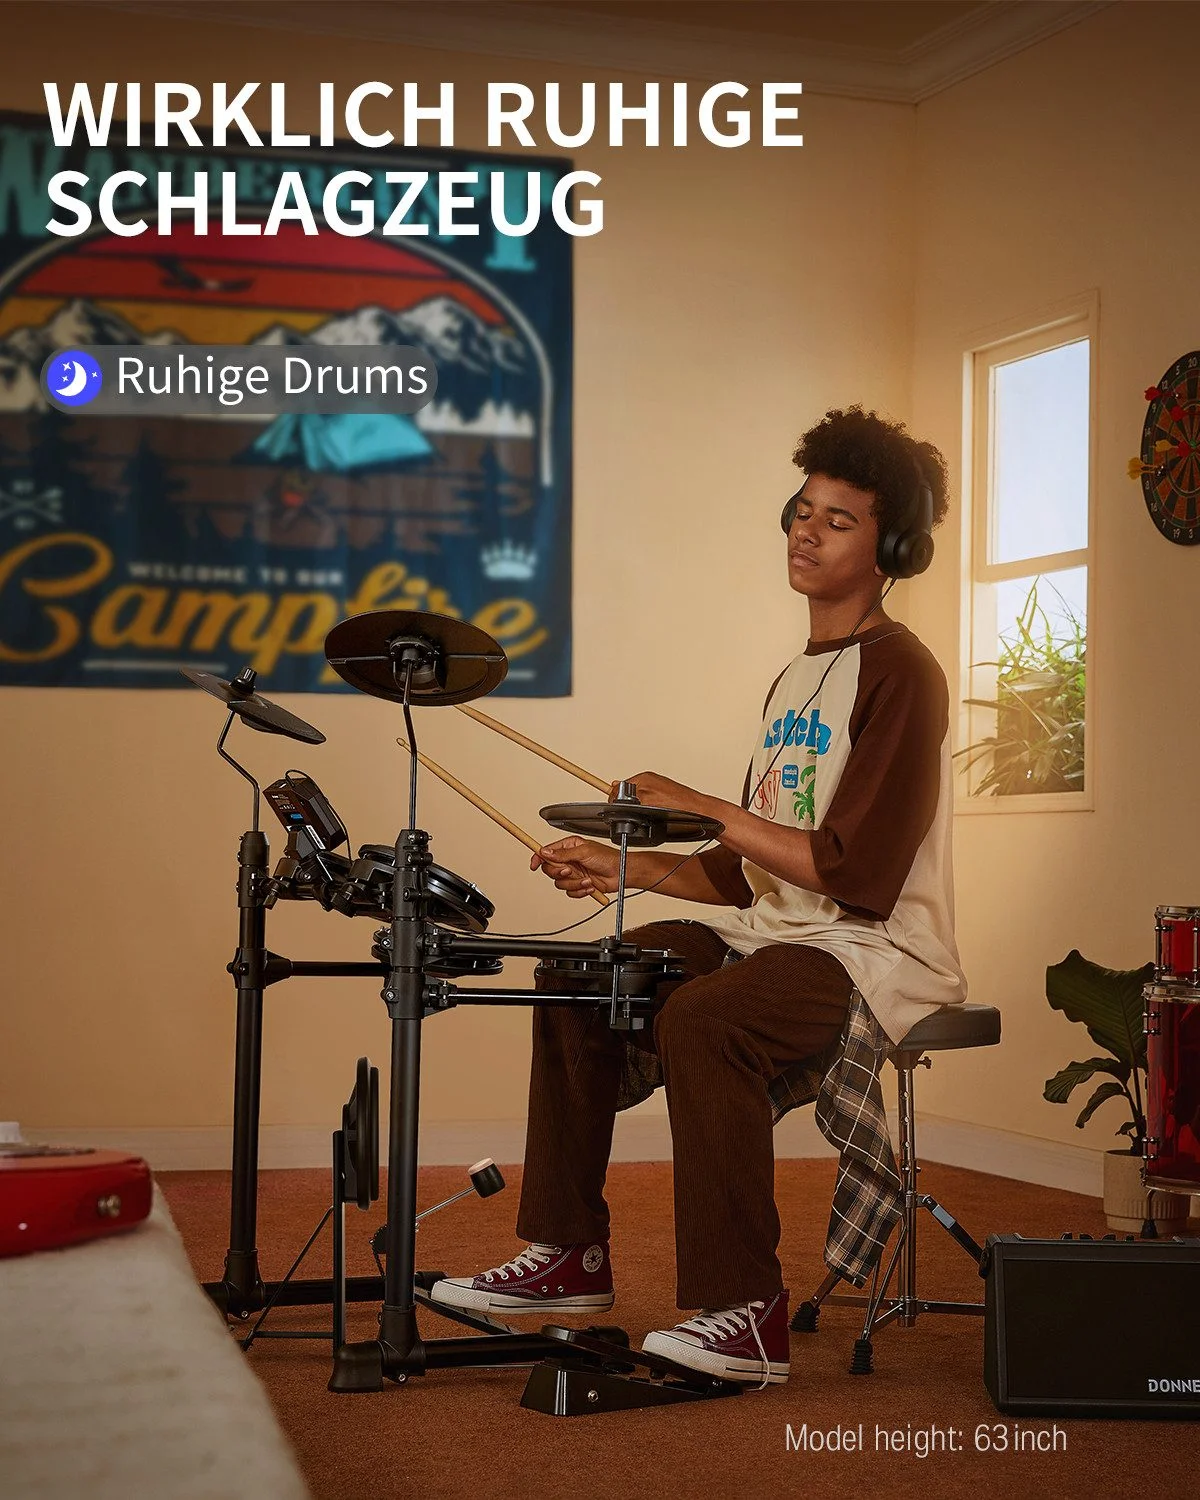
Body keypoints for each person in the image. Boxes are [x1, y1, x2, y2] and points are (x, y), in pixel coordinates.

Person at [430, 407, 967, 1386]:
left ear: (890, 549)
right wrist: (625, 869)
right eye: (802, 511)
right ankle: (567, 1257)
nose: (806, 531)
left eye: (838, 520)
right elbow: (747, 870)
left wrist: (707, 807)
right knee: (586, 978)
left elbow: (855, 871)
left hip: (873, 951)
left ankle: (746, 1314)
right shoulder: (795, 679)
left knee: (707, 1018)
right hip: (778, 932)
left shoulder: (903, 674)